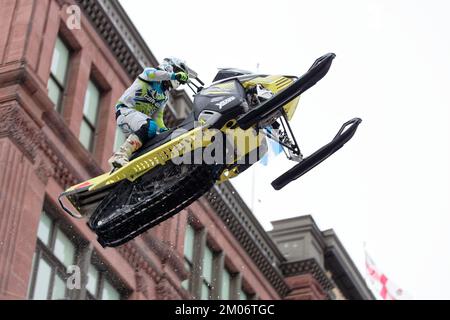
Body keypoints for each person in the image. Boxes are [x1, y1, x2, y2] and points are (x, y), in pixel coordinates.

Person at [108, 57, 191, 169]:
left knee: (157, 139)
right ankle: (120, 155)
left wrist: (164, 131)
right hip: (125, 111)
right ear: (170, 67)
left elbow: (158, 116)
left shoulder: (165, 95)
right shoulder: (149, 73)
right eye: (177, 71)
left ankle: (131, 163)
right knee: (150, 126)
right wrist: (174, 76)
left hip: (138, 120)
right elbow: (155, 74)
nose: (178, 79)